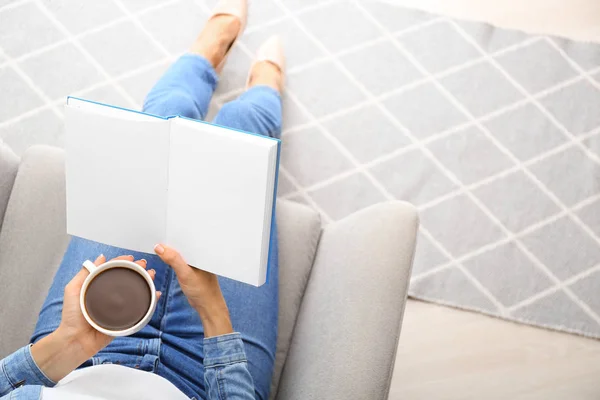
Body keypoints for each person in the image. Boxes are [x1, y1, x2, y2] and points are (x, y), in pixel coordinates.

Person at [0, 0, 284, 398]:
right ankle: (264, 86)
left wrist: (67, 343)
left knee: (166, 120)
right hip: (201, 377)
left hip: (80, 352)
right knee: (244, 132)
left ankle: (209, 49)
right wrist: (213, 310)